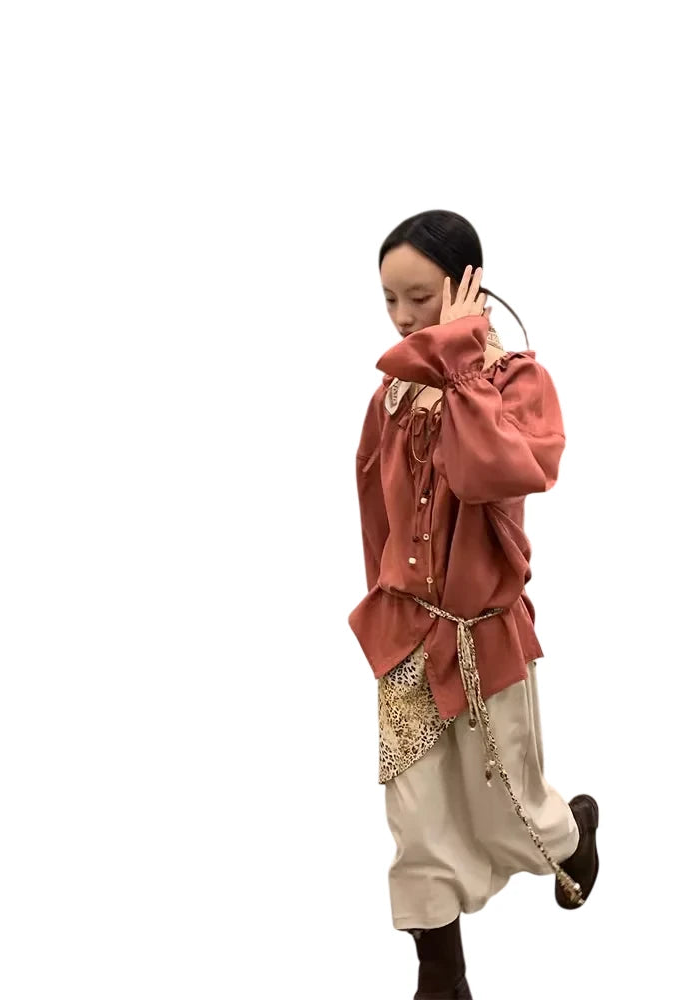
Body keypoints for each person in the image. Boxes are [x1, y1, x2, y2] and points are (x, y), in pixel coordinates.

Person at [348, 210, 600, 999]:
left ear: (468, 288)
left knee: (507, 807)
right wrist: (381, 602)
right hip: (405, 635)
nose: (402, 317)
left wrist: (459, 361)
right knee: (415, 811)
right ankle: (440, 971)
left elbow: (492, 472)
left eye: (420, 298)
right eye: (389, 299)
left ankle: (573, 838)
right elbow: (375, 510)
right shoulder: (392, 393)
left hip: (483, 635)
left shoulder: (516, 383)